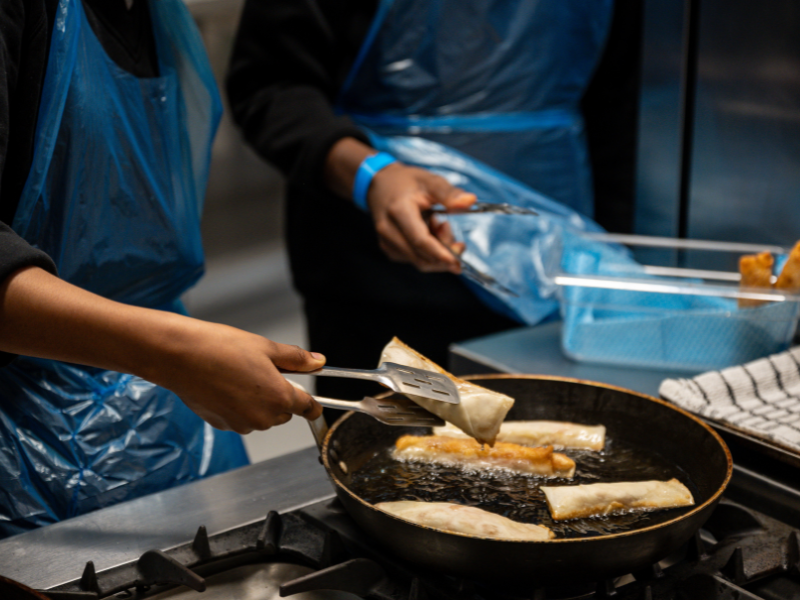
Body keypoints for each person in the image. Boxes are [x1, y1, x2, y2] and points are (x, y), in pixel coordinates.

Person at [0, 0, 323, 538]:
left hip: (174, 435)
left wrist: (175, 358)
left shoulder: (159, 17)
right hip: (20, 471)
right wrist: (174, 352)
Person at [226, 0, 642, 402]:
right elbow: (268, 85)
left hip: (550, 267)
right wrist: (372, 176)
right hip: (374, 279)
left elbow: (615, 105)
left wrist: (606, 261)